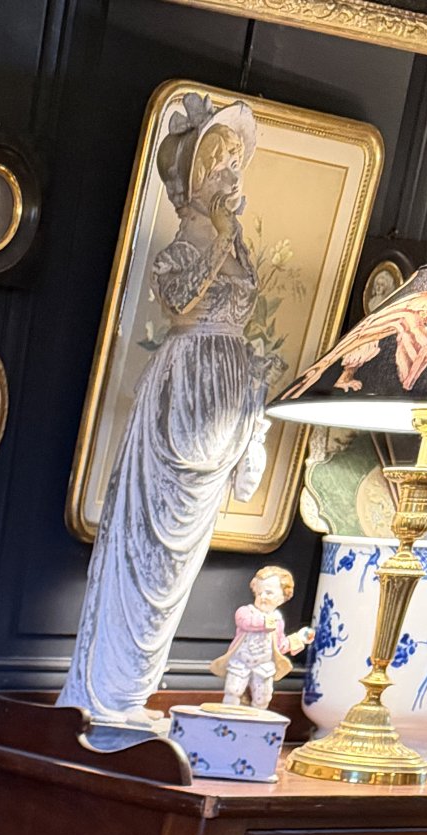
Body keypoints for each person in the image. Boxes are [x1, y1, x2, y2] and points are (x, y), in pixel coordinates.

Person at [61, 97, 272, 732]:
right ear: (193, 179)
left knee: (180, 565)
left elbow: (240, 314)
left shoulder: (237, 246)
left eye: (234, 161)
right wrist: (219, 235)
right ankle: (109, 694)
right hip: (180, 400)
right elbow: (181, 302)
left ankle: (136, 693)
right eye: (218, 162)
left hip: (223, 405)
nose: (231, 173)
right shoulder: (183, 249)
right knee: (146, 549)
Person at [213, 563, 312, 709]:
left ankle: (258, 719)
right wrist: (264, 623)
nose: (262, 597)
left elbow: (279, 646)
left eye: (269, 593)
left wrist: (298, 639)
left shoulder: (277, 620)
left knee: (263, 697)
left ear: (282, 598)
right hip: (241, 662)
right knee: (233, 691)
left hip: (263, 666)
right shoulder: (246, 612)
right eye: (259, 593)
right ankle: (228, 714)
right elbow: (245, 622)